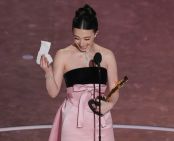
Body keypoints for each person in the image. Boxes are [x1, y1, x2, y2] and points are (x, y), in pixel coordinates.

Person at [40, 4, 119, 141]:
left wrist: (109, 104)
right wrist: (48, 72)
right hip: (73, 120)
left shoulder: (107, 56)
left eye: (87, 39)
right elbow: (53, 92)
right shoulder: (63, 55)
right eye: (76, 38)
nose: (81, 43)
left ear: (96, 33)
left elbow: (114, 90)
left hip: (100, 119)